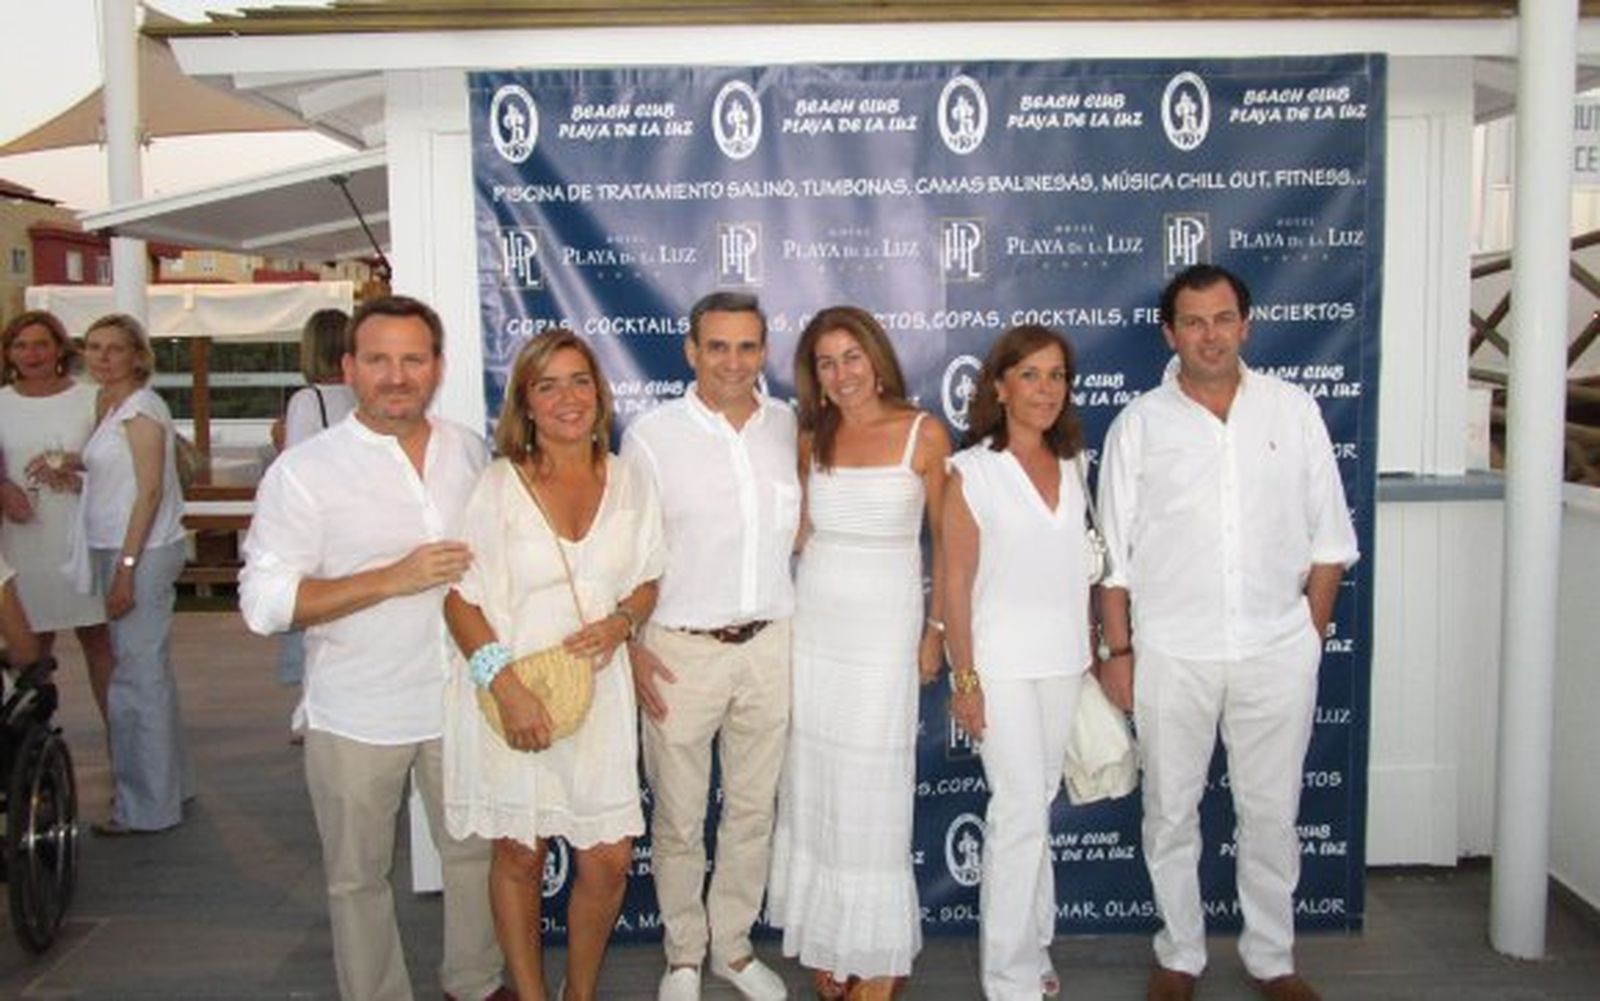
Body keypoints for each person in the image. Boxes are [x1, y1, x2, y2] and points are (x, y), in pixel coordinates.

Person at [1096, 265, 1359, 1001]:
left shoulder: (1294, 412)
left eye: (1222, 319)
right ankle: (1179, 952)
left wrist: (1306, 637)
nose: (1209, 335)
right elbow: (1112, 561)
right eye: (1193, 321)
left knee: (1272, 815)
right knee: (1171, 811)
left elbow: (1330, 544)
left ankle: (1273, 957)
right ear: (1169, 333)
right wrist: (1119, 653)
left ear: (1246, 324)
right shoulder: (1139, 426)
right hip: (1170, 653)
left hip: (1276, 650)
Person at [239, 296, 508, 1001]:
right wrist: (392, 578)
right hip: (356, 711)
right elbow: (264, 605)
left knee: (473, 855)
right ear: (350, 369)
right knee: (357, 878)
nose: (397, 375)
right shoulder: (304, 473)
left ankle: (475, 984)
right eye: (380, 359)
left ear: (438, 368)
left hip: (459, 700)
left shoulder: (467, 449)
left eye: (413, 358)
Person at [442, 329, 665, 1001]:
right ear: (526, 403)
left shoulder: (629, 480)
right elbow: (459, 601)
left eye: (579, 381)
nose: (567, 398)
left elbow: (649, 577)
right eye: (548, 385)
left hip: (599, 697)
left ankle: (581, 992)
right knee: (518, 851)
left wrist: (624, 621)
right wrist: (506, 688)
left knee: (609, 858)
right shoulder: (498, 485)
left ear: (599, 393)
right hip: (515, 688)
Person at [765, 306, 949, 1000]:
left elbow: (950, 541)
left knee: (874, 784)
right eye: (825, 362)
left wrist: (936, 630)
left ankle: (876, 948)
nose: (841, 374)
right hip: (816, 626)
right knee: (814, 778)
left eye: (851, 357)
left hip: (884, 632)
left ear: (876, 357)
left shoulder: (924, 432)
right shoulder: (812, 435)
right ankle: (824, 930)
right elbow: (800, 533)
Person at [621, 291, 798, 1001]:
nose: (733, 361)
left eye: (747, 346)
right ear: (691, 351)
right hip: (680, 649)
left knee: (754, 809)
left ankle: (732, 945)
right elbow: (625, 552)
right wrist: (632, 643)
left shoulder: (787, 425)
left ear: (764, 352)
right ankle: (684, 955)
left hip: (770, 645)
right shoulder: (651, 435)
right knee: (680, 816)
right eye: (717, 346)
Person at [942, 324, 1096, 1001]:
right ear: (999, 386)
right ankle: (1008, 978)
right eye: (1029, 375)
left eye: (1056, 375)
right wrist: (966, 677)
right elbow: (953, 582)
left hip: (1063, 661)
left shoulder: (1073, 463)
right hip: (998, 665)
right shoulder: (971, 471)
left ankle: (1033, 945)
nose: (1045, 389)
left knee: (1038, 802)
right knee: (1018, 811)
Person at [74, 313, 192, 835]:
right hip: (114, 546)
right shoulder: (109, 407)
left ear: (137, 356)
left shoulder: (142, 409)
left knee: (136, 679)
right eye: (93, 347)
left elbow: (150, 492)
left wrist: (126, 568)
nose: (101, 357)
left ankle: (145, 805)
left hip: (138, 551)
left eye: (113, 349)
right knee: (144, 673)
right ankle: (167, 786)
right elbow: (116, 479)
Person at [0, 311, 114, 725]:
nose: (31, 354)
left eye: (41, 344)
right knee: (28, 646)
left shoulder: (89, 398)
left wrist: (79, 474)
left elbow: (115, 465)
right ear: (9, 352)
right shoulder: (1, 402)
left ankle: (122, 753)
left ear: (59, 349)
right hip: (21, 539)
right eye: (20, 345)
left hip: (80, 535)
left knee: (100, 643)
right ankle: (30, 746)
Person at [272, 307, 356, 690]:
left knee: (310, 621)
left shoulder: (308, 401)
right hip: (355, 520)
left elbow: (296, 469)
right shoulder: (362, 397)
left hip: (320, 525)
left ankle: (309, 704)